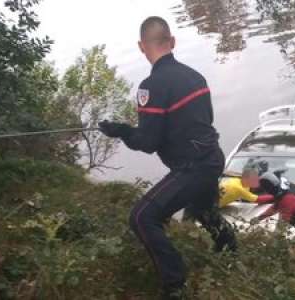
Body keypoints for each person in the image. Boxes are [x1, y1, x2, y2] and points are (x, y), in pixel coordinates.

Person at [98, 16, 236, 300]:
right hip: (213, 158)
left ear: (141, 47)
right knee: (203, 210)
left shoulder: (151, 86)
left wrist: (121, 131)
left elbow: (148, 143)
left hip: (193, 168)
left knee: (141, 218)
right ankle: (230, 251)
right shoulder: (196, 76)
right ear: (171, 42)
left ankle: (175, 286)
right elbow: (202, 120)